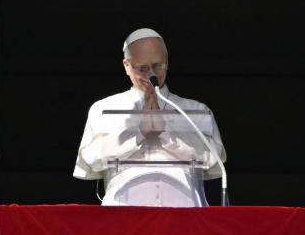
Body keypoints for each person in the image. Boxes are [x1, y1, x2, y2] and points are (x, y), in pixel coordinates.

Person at [73, 28, 226, 206]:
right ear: (127, 66)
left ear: (167, 63)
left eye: (157, 66)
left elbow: (214, 161)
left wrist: (166, 133)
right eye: (143, 68)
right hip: (122, 216)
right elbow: (90, 160)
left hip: (185, 213)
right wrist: (139, 133)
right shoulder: (103, 109)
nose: (151, 74)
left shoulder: (195, 110)